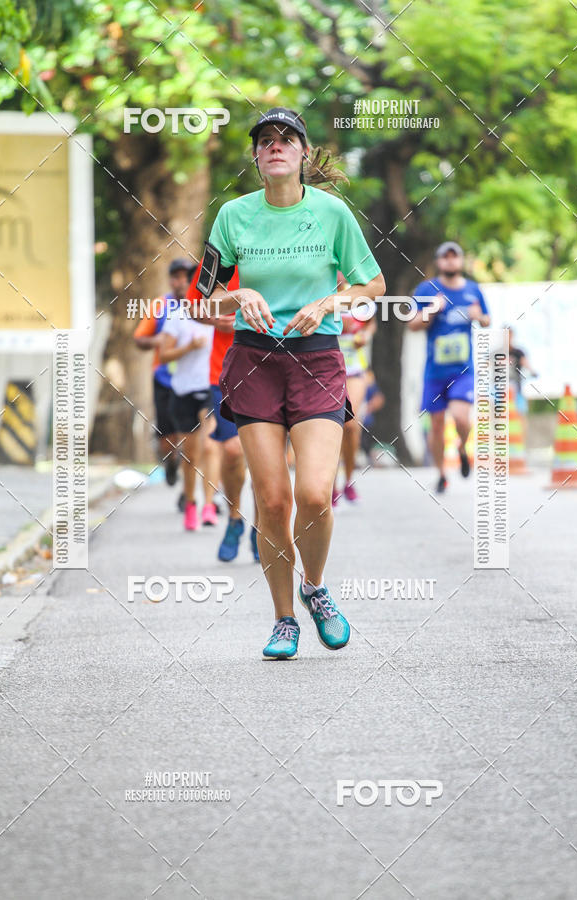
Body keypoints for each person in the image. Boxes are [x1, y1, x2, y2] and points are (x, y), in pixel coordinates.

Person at [195, 107, 385, 659]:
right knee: (273, 501)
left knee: (314, 494)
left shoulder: (332, 214)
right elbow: (202, 303)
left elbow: (373, 285)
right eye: (265, 140)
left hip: (317, 360)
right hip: (254, 361)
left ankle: (315, 588)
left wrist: (330, 300)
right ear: (256, 157)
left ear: (303, 154)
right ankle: (283, 620)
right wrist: (237, 297)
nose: (276, 146)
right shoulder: (232, 216)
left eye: (287, 139)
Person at [187, 263, 260, 562]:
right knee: (232, 451)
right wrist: (216, 320)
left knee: (264, 458)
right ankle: (234, 518)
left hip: (272, 369)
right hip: (225, 372)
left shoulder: (288, 241)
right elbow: (193, 307)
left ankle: (262, 526)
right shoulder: (220, 257)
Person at [408, 241, 490, 494]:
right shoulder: (426, 289)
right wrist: (431, 311)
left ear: (462, 261)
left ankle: (462, 447)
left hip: (462, 370)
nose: (451, 261)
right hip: (434, 371)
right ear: (438, 261)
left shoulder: (473, 290)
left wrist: (479, 317)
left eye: (455, 257)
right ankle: (441, 473)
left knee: (462, 418)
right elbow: (411, 324)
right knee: (436, 425)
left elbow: (488, 320)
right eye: (446, 257)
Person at [133, 259, 195, 491]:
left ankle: (189, 491)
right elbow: (139, 339)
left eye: (186, 277)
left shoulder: (205, 305)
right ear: (170, 280)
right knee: (167, 433)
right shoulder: (160, 305)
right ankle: (171, 461)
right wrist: (157, 340)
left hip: (195, 380)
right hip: (164, 378)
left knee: (192, 434)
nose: (181, 282)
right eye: (176, 277)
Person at [159, 307, 214, 530]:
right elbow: (164, 355)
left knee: (210, 445)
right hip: (183, 392)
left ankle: (209, 505)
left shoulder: (221, 313)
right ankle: (191, 503)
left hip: (210, 389)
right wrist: (189, 347)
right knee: (191, 456)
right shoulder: (178, 316)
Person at [334, 283, 377, 504]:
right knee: (330, 426)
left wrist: (365, 336)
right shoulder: (320, 287)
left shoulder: (358, 292)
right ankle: (329, 485)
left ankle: (348, 481)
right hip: (326, 369)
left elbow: (370, 324)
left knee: (350, 425)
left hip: (354, 369)